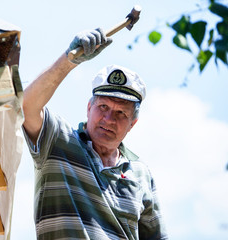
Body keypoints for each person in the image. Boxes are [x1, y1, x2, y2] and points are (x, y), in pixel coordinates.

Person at [22, 28, 167, 239]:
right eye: (103, 107)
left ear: (132, 123)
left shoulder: (141, 173)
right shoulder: (57, 141)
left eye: (120, 113)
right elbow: (26, 107)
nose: (109, 120)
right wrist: (69, 60)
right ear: (89, 108)